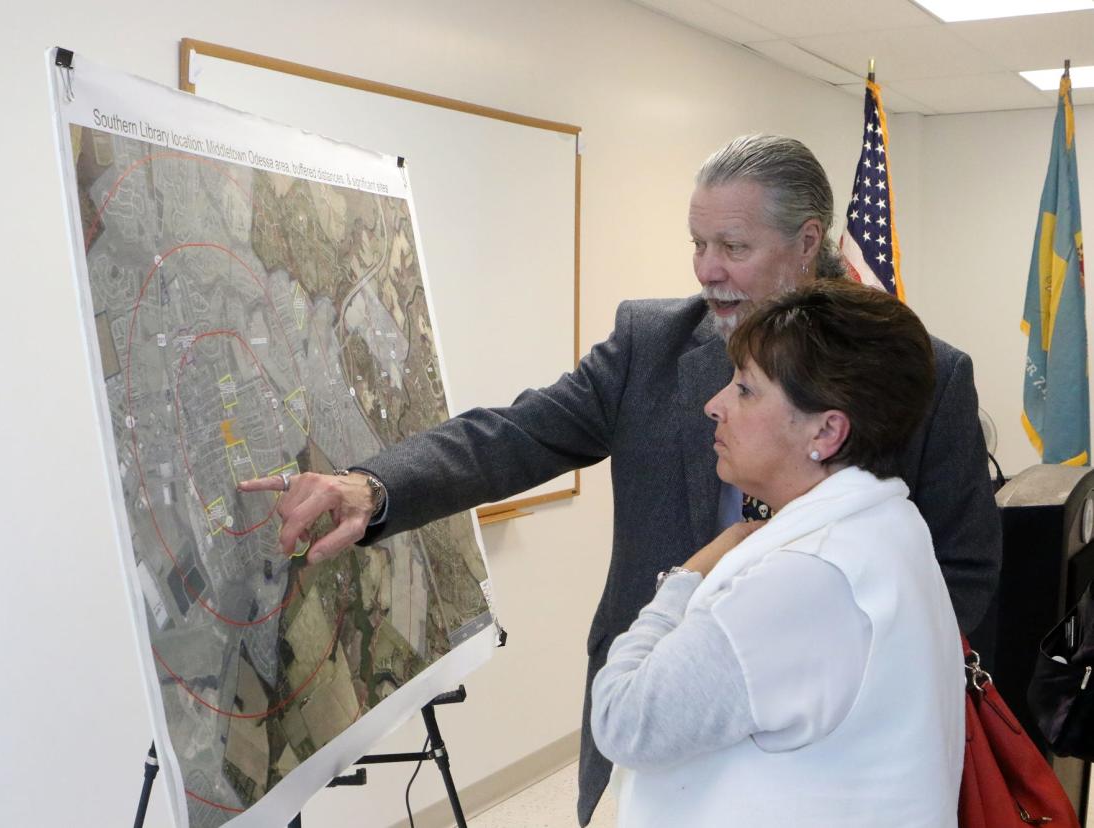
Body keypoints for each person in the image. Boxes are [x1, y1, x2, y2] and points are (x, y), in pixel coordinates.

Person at [240, 134, 999, 825]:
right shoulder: (651, 344)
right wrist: (373, 488)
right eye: (698, 243)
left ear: (807, 245)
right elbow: (515, 434)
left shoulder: (919, 375)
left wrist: (818, 692)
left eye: (733, 245)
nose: (707, 269)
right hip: (646, 725)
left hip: (812, 767)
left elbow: (958, 572)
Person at [590, 278, 964, 826]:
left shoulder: (807, 579)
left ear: (827, 430)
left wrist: (685, 578)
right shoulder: (885, 521)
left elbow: (623, 720)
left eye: (745, 389)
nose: (714, 404)